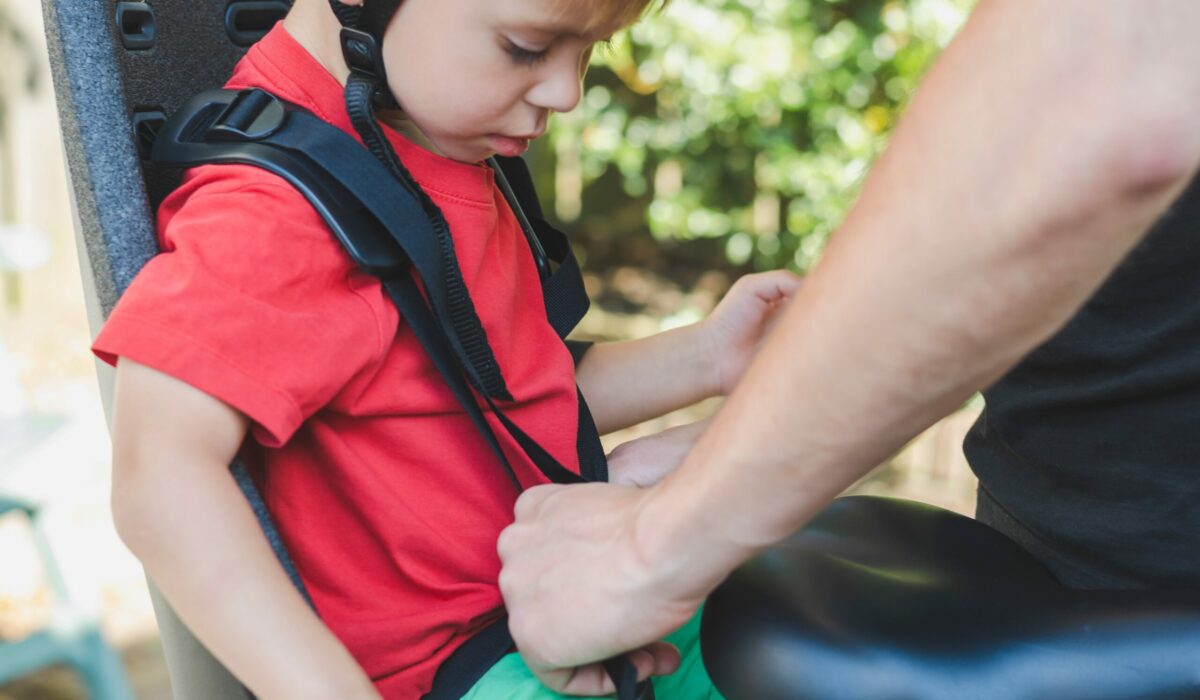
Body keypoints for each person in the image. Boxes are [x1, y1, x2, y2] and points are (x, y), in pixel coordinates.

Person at [96, 0, 800, 697]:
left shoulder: (434, 142)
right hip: (472, 668)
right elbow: (159, 473)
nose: (568, 92)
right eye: (526, 48)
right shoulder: (274, 214)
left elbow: (508, 399)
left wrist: (708, 356)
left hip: (574, 600)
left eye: (589, 51)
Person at [498, 0, 1200, 694]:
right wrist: (736, 444)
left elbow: (1110, 83)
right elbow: (1033, 240)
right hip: (1060, 557)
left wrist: (651, 550)